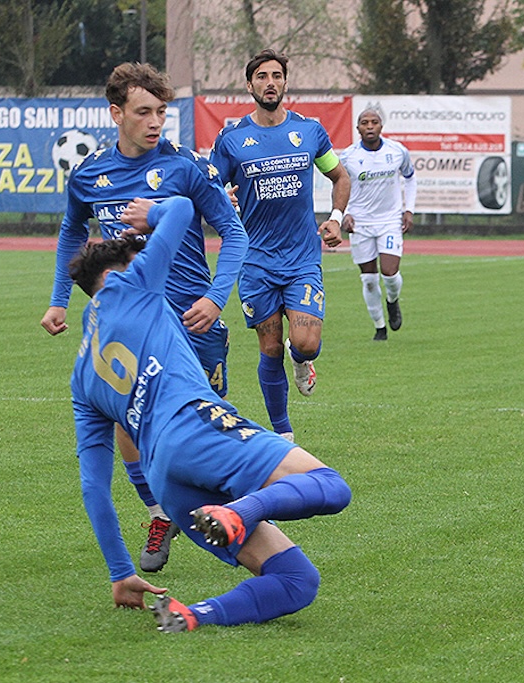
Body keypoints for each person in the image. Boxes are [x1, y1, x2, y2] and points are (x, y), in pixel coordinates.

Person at [69, 195, 352, 632]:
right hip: (195, 425)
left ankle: (192, 615)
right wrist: (153, 216)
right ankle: (241, 511)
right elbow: (182, 208)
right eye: (140, 257)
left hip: (165, 475)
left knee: (297, 581)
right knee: (330, 486)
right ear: (114, 274)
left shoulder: (82, 373)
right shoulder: (129, 285)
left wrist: (120, 572)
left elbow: (93, 484)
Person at [40, 62, 248, 573]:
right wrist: (59, 299)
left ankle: (237, 512)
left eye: (162, 111)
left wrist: (216, 297)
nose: (156, 122)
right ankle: (160, 512)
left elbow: (234, 233)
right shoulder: (90, 175)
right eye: (144, 112)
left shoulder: (186, 168)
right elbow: (72, 233)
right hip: (131, 327)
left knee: (203, 434)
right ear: (116, 114)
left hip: (193, 321)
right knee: (126, 426)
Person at [209, 49, 350, 439]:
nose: (270, 82)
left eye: (276, 75)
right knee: (269, 348)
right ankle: (283, 436)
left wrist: (335, 219)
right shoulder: (232, 138)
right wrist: (224, 199)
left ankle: (301, 360)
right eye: (262, 76)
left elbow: (340, 177)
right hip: (254, 261)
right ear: (250, 84)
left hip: (302, 256)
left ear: (285, 83)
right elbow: (208, 188)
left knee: (305, 341)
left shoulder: (308, 131)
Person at [339, 106, 416, 341]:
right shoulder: (348, 156)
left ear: (381, 126)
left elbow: (410, 177)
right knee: (369, 280)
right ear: (358, 128)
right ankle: (380, 327)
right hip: (360, 223)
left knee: (390, 273)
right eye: (364, 122)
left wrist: (409, 209)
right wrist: (344, 213)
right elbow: (339, 185)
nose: (369, 126)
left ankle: (393, 301)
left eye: (374, 122)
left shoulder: (397, 151)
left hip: (389, 221)